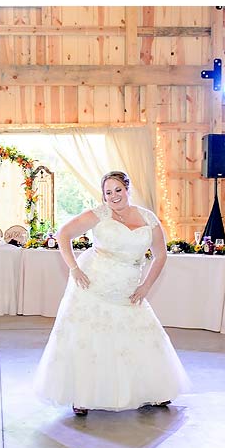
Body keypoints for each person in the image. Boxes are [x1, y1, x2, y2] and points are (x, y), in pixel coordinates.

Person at [32, 171, 190, 416]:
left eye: (118, 190)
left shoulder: (148, 219)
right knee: (87, 337)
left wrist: (146, 286)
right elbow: (63, 234)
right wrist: (73, 268)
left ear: (128, 189)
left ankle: (152, 391)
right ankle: (81, 395)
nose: (114, 196)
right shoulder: (99, 214)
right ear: (103, 195)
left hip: (128, 288)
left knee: (139, 336)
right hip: (92, 286)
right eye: (108, 192)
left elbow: (161, 255)